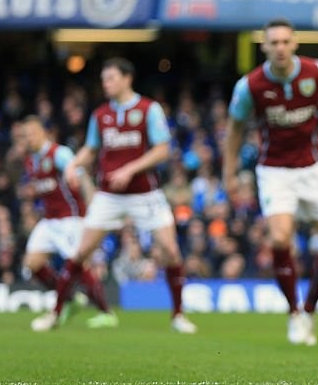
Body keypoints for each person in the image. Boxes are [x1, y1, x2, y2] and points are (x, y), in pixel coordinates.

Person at [30, 58, 198, 334]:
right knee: (81, 252)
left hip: (146, 192)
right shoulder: (101, 115)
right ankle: (55, 312)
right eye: (103, 79)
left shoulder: (148, 110)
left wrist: (130, 169)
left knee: (170, 250)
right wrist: (74, 164)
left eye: (110, 78)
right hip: (109, 195)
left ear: (127, 78)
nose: (105, 84)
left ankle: (178, 315)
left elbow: (163, 149)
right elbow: (91, 148)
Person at [223, 19, 318, 346]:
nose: (280, 47)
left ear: (294, 43)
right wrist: (229, 173)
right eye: (273, 43)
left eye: (285, 41)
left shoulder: (317, 73)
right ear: (264, 47)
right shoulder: (249, 86)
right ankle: (294, 313)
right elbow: (235, 129)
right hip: (274, 171)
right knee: (281, 239)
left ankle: (309, 308)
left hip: (314, 167)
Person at [16, 115, 97, 323]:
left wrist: (93, 207)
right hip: (50, 220)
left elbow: (82, 176)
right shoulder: (31, 160)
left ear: (43, 132)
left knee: (79, 264)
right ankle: (70, 298)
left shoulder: (59, 153)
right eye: (26, 135)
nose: (29, 138)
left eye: (33, 133)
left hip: (71, 217)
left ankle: (105, 312)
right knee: (31, 263)